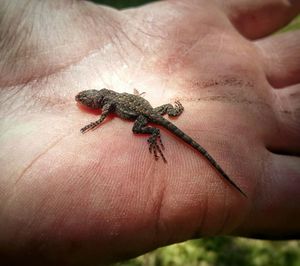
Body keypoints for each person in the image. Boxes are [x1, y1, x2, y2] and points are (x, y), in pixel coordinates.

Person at [0, 0, 299, 264]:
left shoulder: (106, 103)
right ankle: (172, 112)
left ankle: (155, 136)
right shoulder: (106, 95)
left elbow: (103, 119)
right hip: (154, 108)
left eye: (85, 100)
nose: (84, 102)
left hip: (145, 115)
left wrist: (97, 124)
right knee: (165, 116)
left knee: (137, 131)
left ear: (95, 99)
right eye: (85, 100)